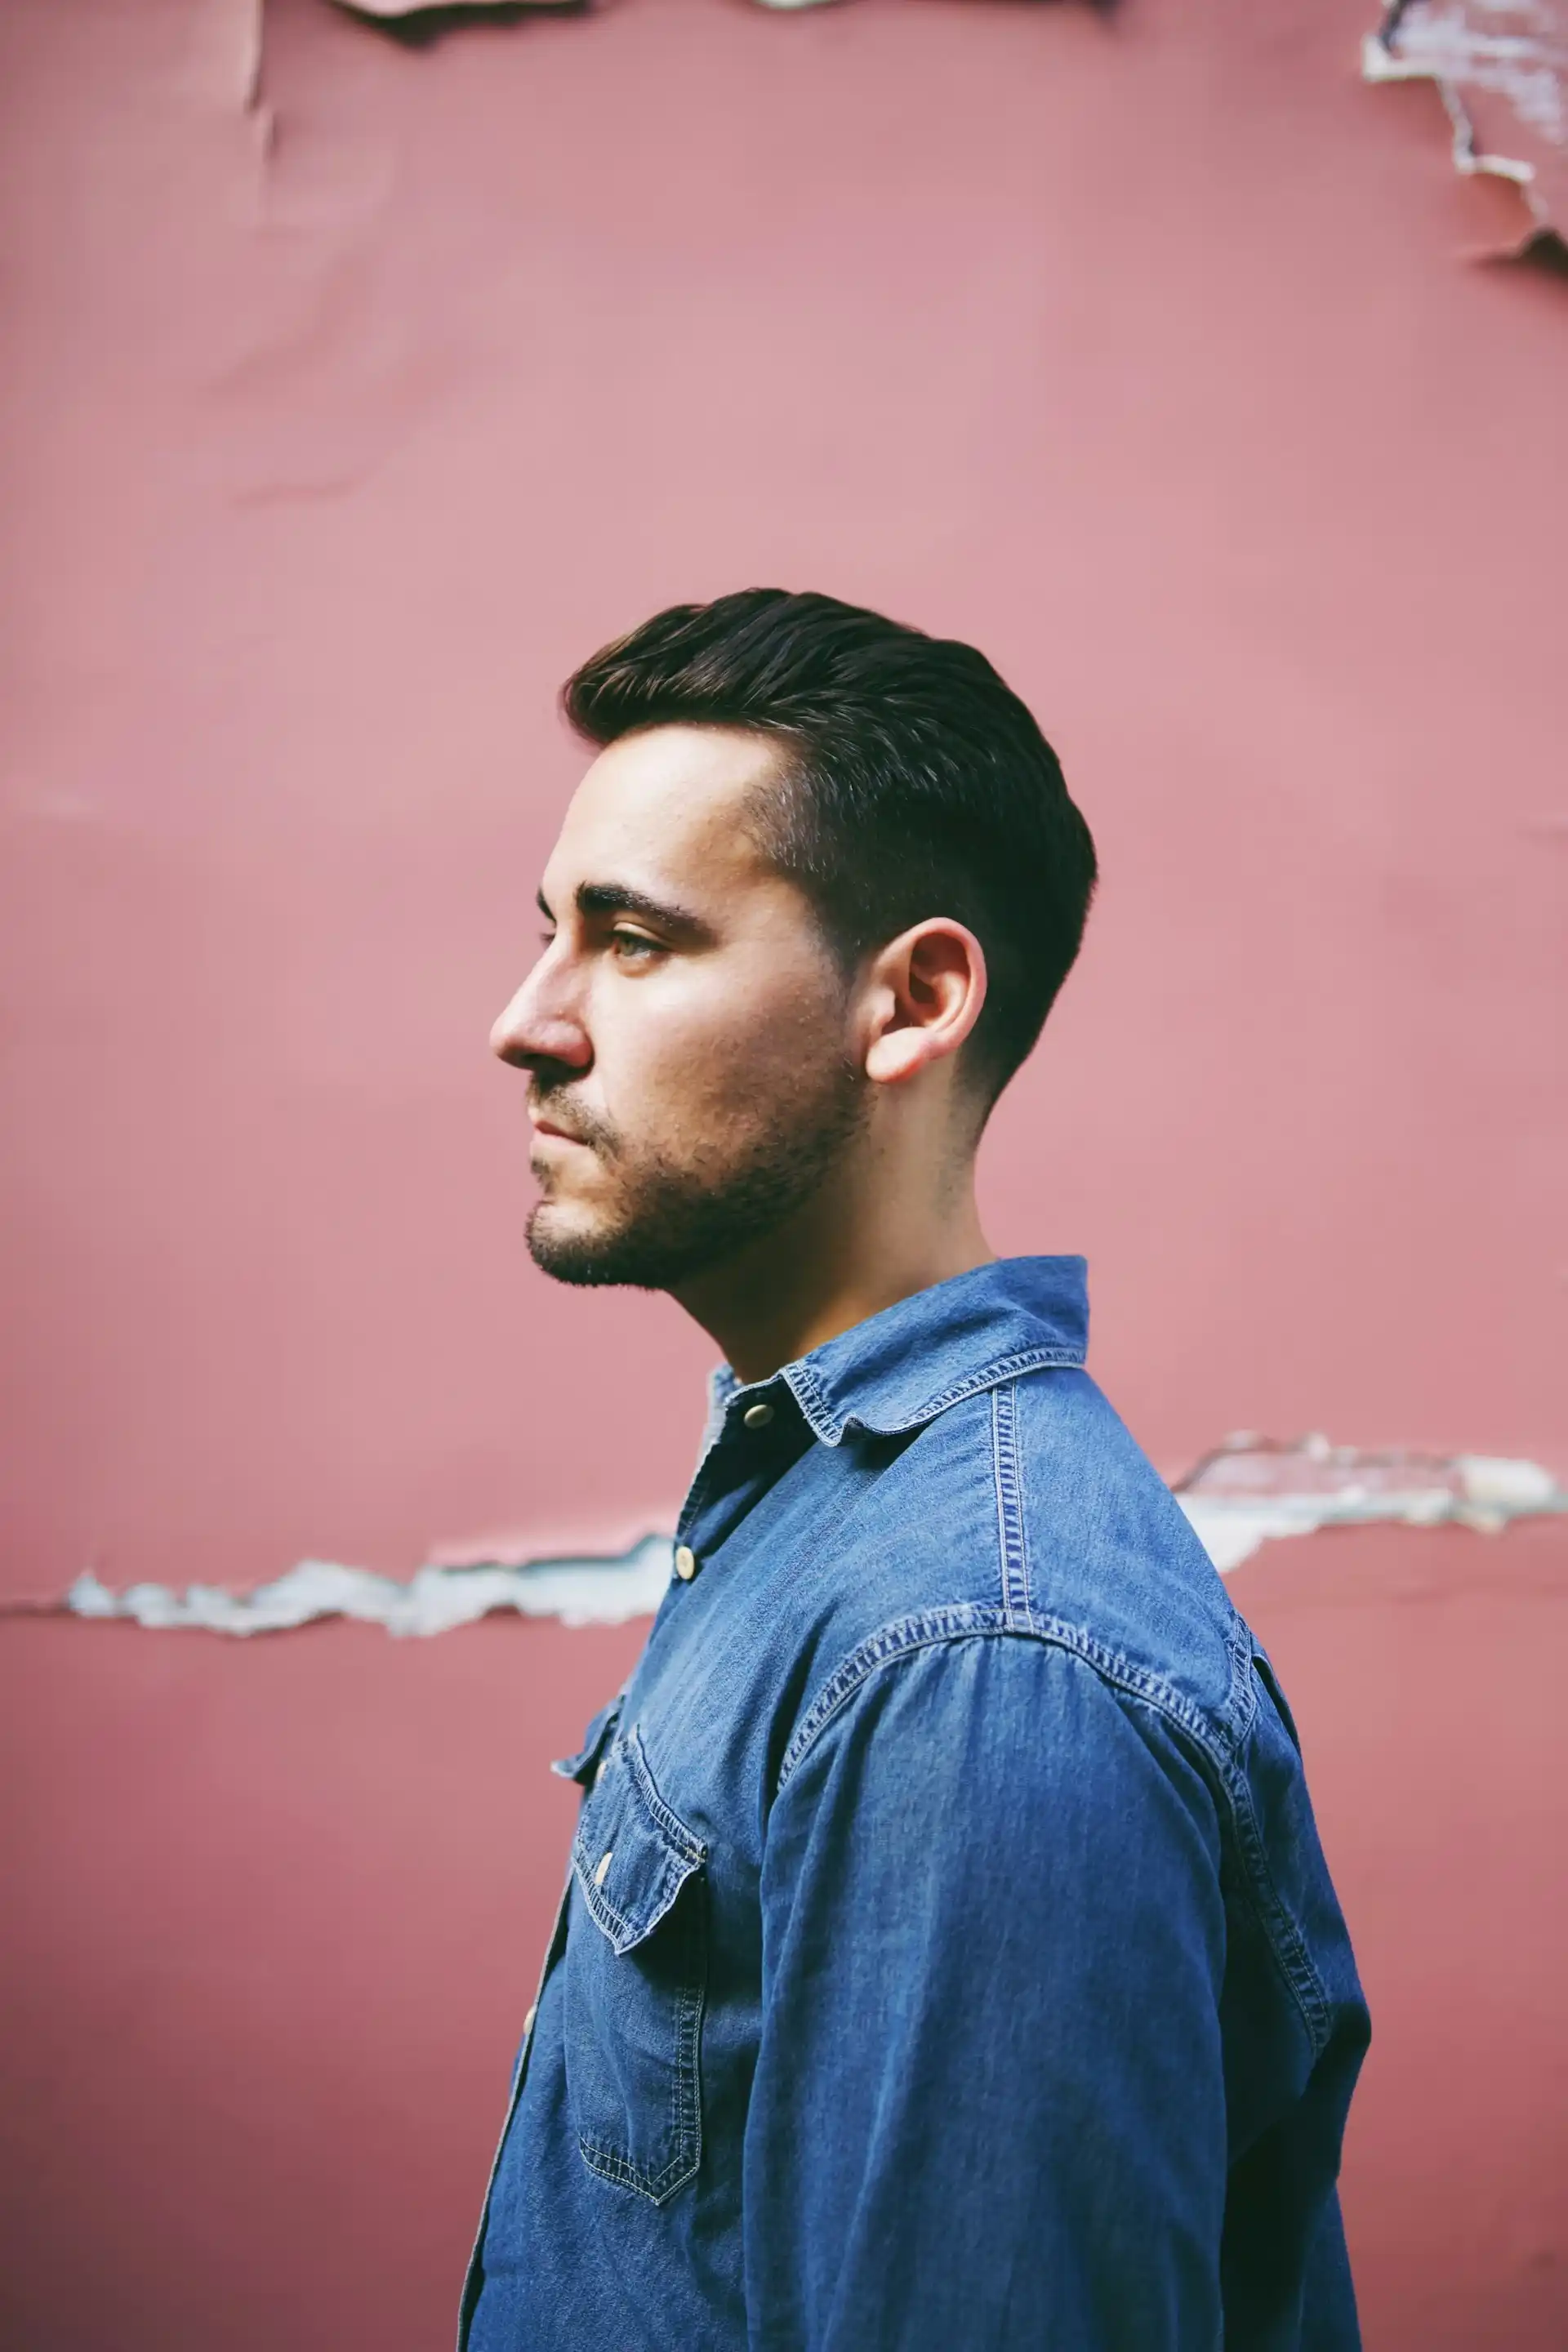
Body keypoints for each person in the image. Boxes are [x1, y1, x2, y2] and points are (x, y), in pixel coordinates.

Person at [460, 589, 1369, 2351]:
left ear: (915, 1000)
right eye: (550, 933)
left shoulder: (975, 1652)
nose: (529, 1019)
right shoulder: (820, 1512)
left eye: (635, 941)